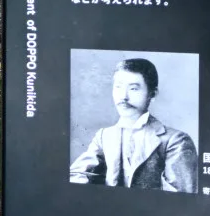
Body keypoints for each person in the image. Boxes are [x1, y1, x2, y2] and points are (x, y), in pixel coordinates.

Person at [68, 57, 198, 193]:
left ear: (152, 94)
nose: (123, 96)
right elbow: (77, 174)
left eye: (134, 89)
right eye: (118, 87)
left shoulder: (176, 140)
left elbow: (179, 197)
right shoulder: (104, 136)